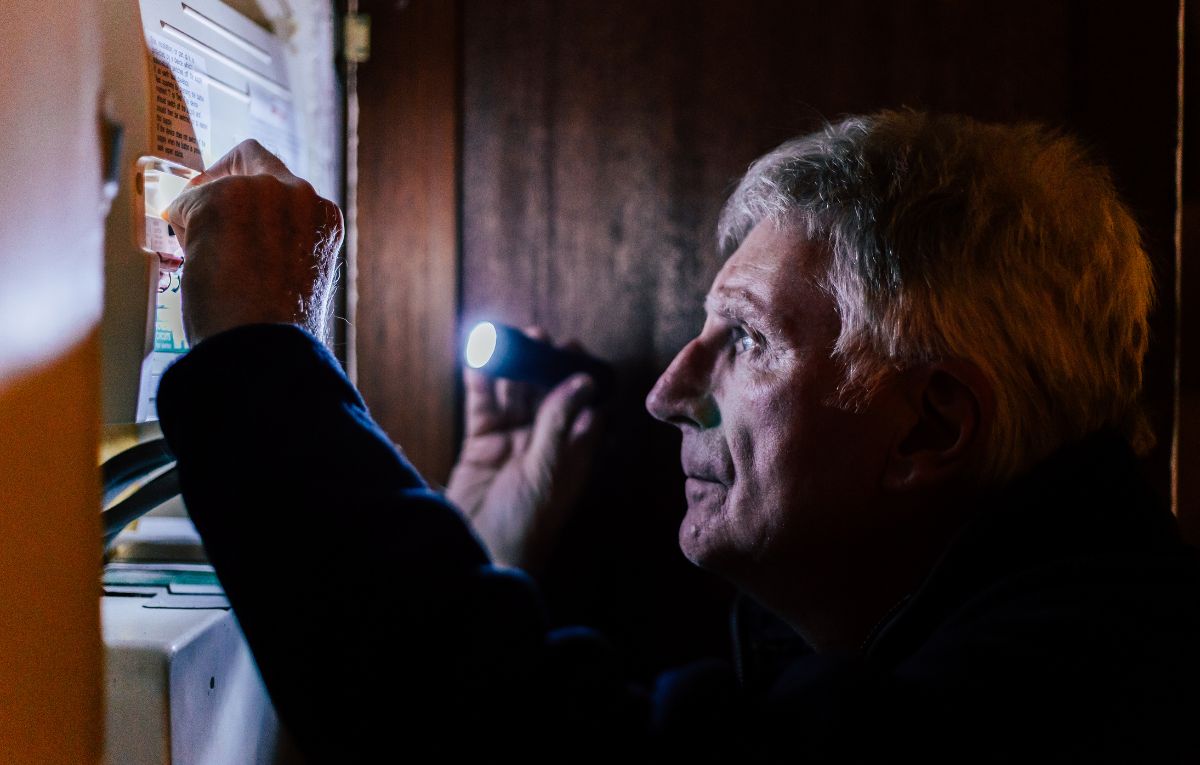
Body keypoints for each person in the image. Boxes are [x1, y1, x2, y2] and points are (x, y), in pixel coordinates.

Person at [158, 112, 1200, 762]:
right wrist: (484, 541)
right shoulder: (1030, 620)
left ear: (930, 424)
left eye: (744, 338)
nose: (666, 394)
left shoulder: (1067, 697)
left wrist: (260, 352)